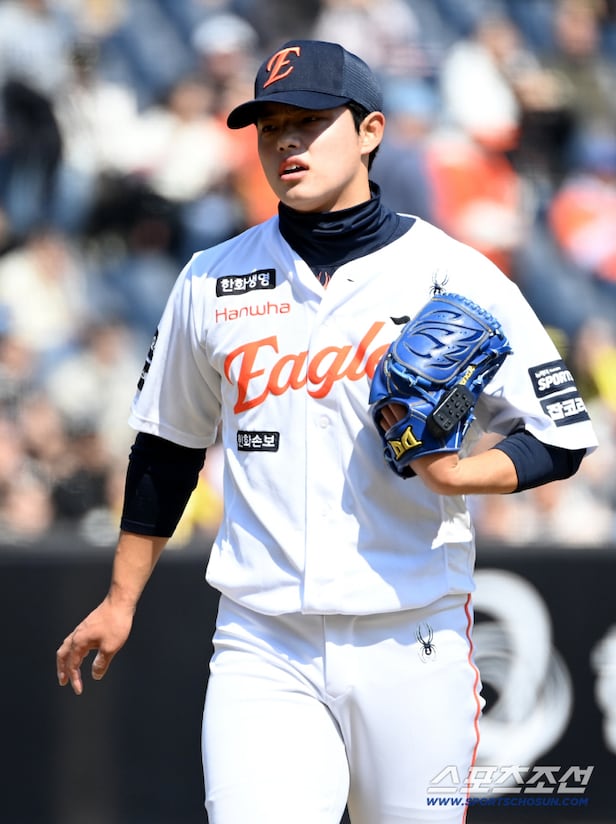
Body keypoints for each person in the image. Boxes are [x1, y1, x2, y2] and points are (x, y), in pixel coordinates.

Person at [56, 39, 599, 824]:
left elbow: (562, 435)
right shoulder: (211, 278)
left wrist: (459, 474)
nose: (287, 142)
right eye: (271, 126)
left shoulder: (453, 273)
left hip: (411, 636)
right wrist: (120, 598)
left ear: (371, 130)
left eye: (309, 122)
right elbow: (167, 447)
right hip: (262, 641)